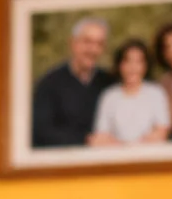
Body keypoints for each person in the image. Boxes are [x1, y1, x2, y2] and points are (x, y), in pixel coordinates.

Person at [30, 15, 116, 147]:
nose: (93, 50)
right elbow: (41, 132)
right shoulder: (49, 84)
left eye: (99, 44)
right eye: (87, 42)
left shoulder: (109, 82)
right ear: (73, 43)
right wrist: (86, 140)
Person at [89, 39, 171, 146]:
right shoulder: (109, 96)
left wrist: (136, 148)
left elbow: (161, 131)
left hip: (150, 156)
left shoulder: (156, 93)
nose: (133, 67)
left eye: (138, 62)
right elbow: (101, 135)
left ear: (145, 66)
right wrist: (123, 148)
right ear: (120, 65)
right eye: (127, 61)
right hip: (117, 157)